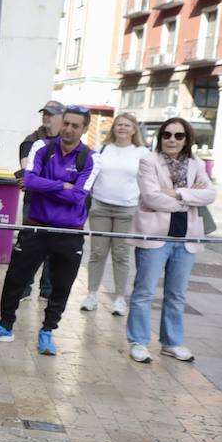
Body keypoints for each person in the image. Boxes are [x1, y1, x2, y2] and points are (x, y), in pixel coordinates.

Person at [0, 108, 97, 355]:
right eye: (67, 124)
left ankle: (47, 331)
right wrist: (62, 184)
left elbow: (78, 196)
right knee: (15, 279)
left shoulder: (92, 158)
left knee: (61, 287)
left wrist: (46, 187)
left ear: (84, 129)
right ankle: (5, 326)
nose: (69, 129)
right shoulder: (42, 146)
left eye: (76, 126)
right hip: (36, 226)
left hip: (69, 232)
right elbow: (28, 181)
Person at [125, 117, 216, 363]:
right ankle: (139, 341)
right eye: (167, 135)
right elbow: (152, 197)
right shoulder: (148, 160)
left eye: (178, 136)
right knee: (144, 291)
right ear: (160, 137)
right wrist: (189, 197)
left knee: (177, 295)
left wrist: (176, 193)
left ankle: (172, 342)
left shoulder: (196, 164)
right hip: (155, 235)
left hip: (186, 238)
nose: (172, 140)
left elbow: (210, 194)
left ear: (187, 139)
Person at [79, 111, 146, 315]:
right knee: (97, 253)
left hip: (127, 208)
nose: (122, 128)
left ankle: (119, 299)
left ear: (134, 129)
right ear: (114, 128)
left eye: (127, 125)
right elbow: (90, 175)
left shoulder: (142, 152)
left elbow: (147, 181)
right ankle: (91, 295)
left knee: (121, 255)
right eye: (119, 124)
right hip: (100, 207)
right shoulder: (102, 149)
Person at [17, 101, 66, 300]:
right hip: (35, 201)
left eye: (51, 114)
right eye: (44, 113)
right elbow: (28, 173)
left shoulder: (67, 142)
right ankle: (25, 287)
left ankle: (47, 289)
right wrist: (58, 181)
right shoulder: (32, 140)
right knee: (30, 243)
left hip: (59, 201)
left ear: (62, 117)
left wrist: (45, 181)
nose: (46, 117)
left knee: (55, 244)